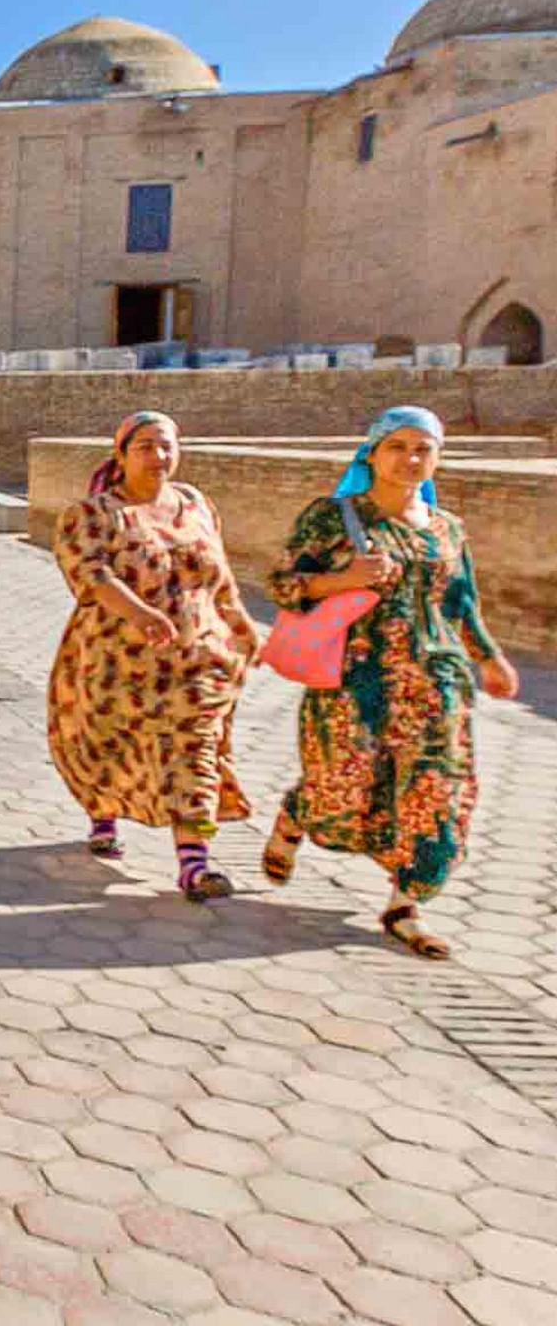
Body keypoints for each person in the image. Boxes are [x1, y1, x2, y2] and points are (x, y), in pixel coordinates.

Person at [262, 406, 519, 958]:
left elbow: (462, 602)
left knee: (437, 794)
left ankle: (404, 905)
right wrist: (340, 580)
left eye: (423, 449)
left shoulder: (447, 528)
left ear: (437, 458)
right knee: (342, 788)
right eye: (397, 447)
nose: (410, 459)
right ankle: (296, 816)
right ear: (371, 454)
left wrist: (490, 659)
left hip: (436, 686)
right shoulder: (335, 518)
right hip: (356, 685)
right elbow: (281, 583)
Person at [47, 412, 260, 900]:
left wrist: (242, 625)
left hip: (197, 663)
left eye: (165, 445)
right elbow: (89, 573)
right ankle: (103, 810)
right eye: (144, 446)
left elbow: (219, 574)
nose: (157, 456)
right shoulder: (94, 514)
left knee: (196, 753)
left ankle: (195, 861)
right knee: (106, 746)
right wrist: (140, 613)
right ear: (120, 456)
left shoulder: (195, 505)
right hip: (114, 664)